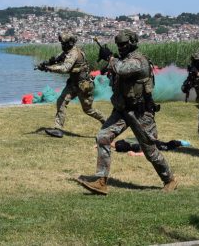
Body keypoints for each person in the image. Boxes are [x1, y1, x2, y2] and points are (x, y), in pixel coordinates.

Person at [76, 30, 178, 195]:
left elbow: (122, 69)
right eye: (118, 45)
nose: (121, 47)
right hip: (122, 111)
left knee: (150, 151)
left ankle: (169, 180)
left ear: (132, 43)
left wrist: (110, 58)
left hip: (140, 113)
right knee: (103, 137)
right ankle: (101, 181)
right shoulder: (122, 60)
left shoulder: (139, 61)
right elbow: (117, 73)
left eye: (124, 44)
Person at [36, 33, 106, 137]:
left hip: (83, 85)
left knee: (88, 109)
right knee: (61, 101)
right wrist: (47, 63)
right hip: (73, 84)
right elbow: (58, 59)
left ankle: (107, 122)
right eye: (62, 43)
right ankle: (58, 128)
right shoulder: (67, 52)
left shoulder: (74, 53)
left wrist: (48, 68)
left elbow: (65, 68)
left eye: (64, 43)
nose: (62, 45)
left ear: (70, 43)